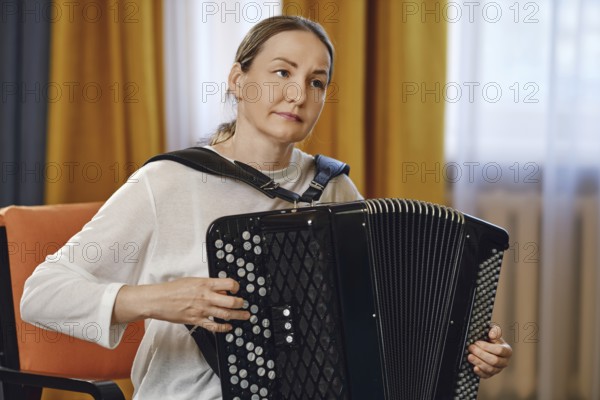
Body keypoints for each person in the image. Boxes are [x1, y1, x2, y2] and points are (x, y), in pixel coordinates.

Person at [21, 15, 511, 399]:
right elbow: (41, 294)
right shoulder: (168, 182)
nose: (298, 94)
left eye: (317, 82)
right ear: (238, 79)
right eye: (281, 72)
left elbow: (386, 313)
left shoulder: (333, 189)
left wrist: (464, 345)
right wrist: (158, 301)